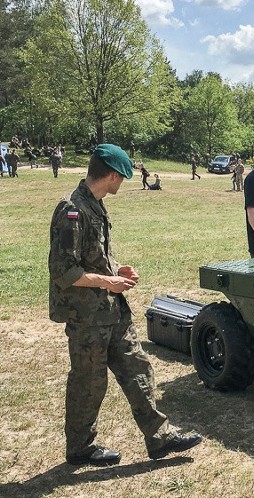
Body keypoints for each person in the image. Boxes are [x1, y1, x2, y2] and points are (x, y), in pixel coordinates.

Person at [48, 144, 203, 466]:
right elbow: (64, 271)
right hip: (87, 315)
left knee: (137, 369)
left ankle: (160, 437)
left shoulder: (94, 205)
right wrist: (108, 282)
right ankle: (80, 447)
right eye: (123, 177)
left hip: (111, 310)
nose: (124, 183)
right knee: (89, 382)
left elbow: (93, 256)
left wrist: (117, 271)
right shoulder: (72, 210)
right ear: (112, 175)